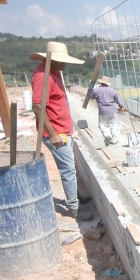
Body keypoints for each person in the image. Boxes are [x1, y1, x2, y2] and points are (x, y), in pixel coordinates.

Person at [30, 41, 90, 218]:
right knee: (68, 170)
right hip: (57, 133)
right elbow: (37, 106)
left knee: (69, 168)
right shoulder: (44, 75)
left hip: (62, 130)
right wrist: (54, 133)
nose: (65, 64)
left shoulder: (54, 73)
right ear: (53, 60)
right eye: (62, 60)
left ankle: (75, 198)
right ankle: (74, 208)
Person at [89, 75, 125, 146]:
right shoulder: (112, 91)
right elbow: (119, 100)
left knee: (103, 125)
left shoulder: (97, 90)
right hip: (113, 110)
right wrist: (121, 106)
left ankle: (107, 135)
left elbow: (90, 95)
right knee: (114, 125)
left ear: (101, 83)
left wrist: (90, 88)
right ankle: (114, 140)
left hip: (103, 111)